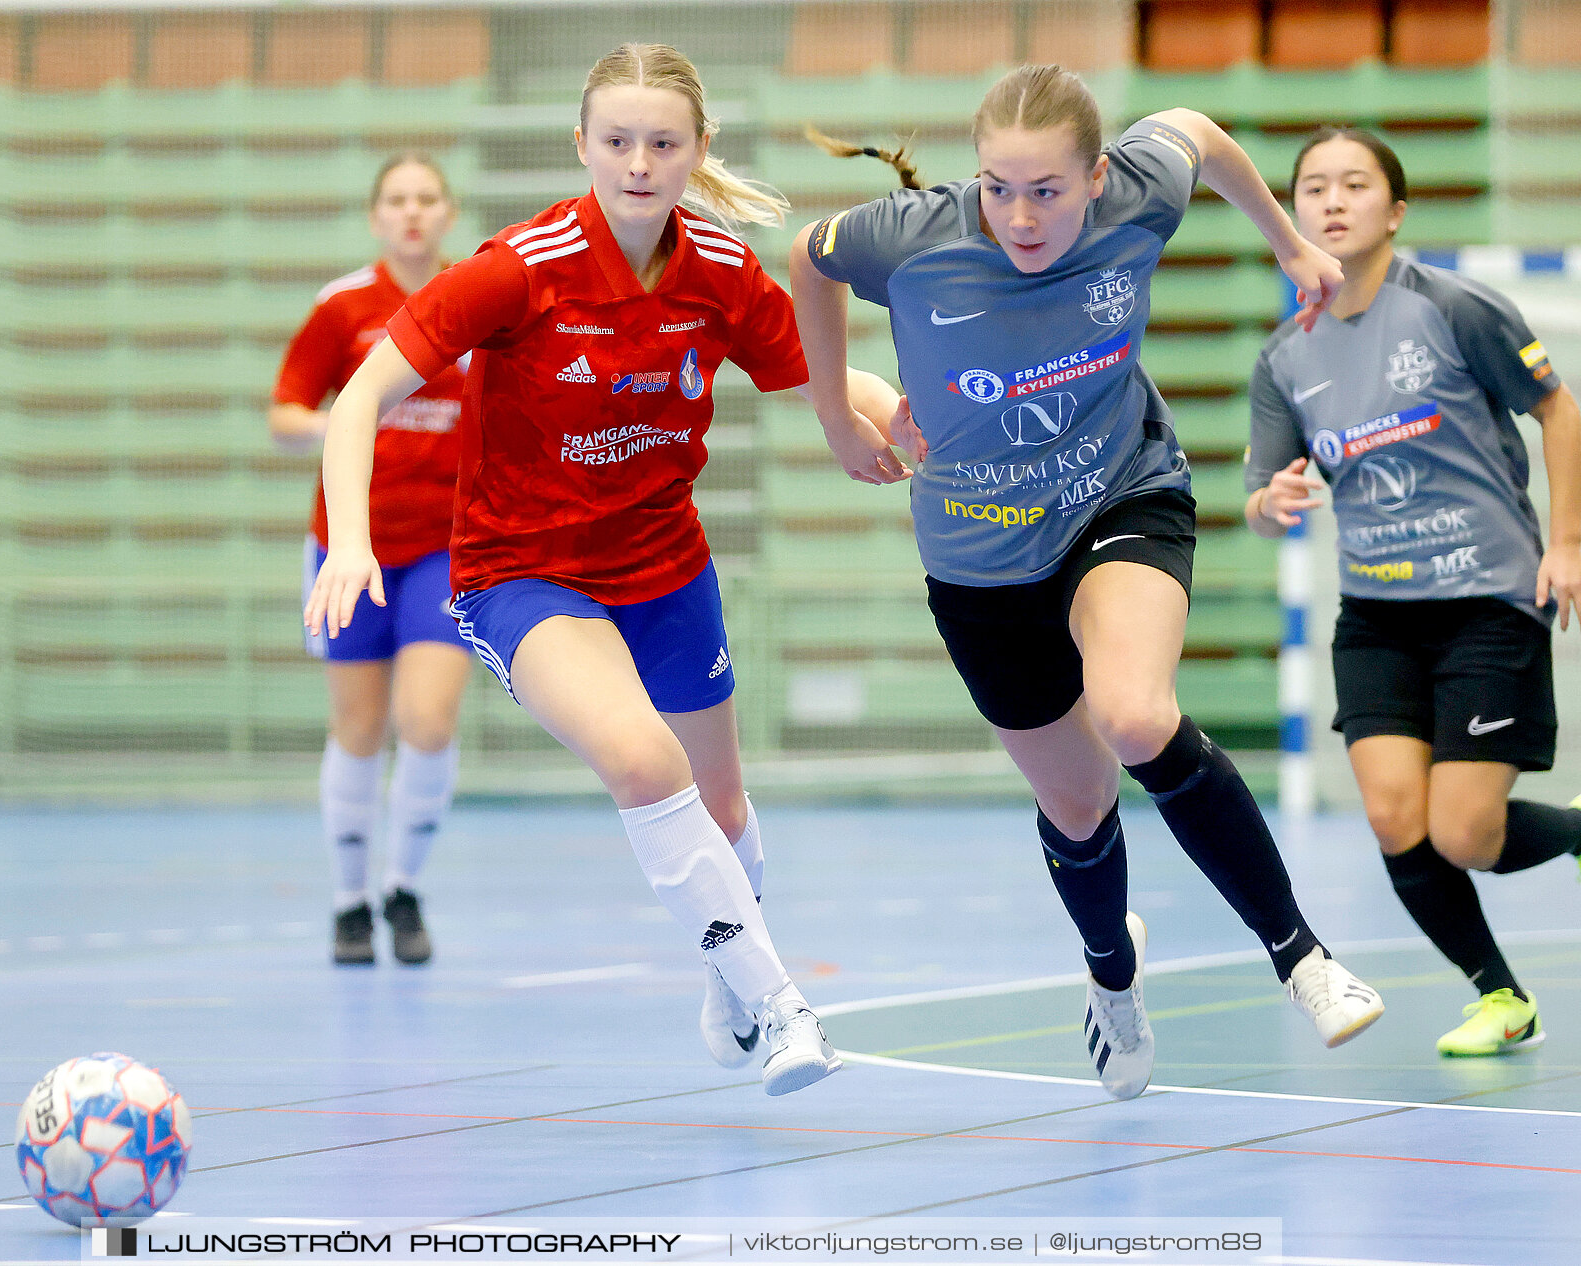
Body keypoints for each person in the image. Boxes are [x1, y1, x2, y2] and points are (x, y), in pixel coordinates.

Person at [305, 43, 902, 1096]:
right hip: (522, 573)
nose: (639, 161)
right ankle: (782, 1004)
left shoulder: (718, 270)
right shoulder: (516, 269)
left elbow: (814, 373)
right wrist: (350, 542)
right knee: (641, 761)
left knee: (720, 808)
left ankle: (728, 982)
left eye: (663, 142)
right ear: (582, 144)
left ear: (698, 150)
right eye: (617, 141)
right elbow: (358, 399)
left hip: (664, 562)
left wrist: (901, 411)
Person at [789, 64, 1386, 1102]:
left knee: (1135, 714)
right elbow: (806, 260)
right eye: (997, 187)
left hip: (1119, 492)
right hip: (979, 556)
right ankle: (1112, 973)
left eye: (1048, 190)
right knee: (1077, 803)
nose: (1020, 215)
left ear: (1097, 175)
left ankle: (1303, 957)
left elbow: (1196, 121)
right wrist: (840, 416)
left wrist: (1290, 239)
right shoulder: (912, 238)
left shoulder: (1141, 194)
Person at [1244, 126, 1581, 1057]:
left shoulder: (1456, 308)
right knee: (1398, 818)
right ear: (1292, 213)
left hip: (1487, 600)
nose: (1333, 201)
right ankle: (1501, 996)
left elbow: (1558, 408)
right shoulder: (1284, 357)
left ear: (1394, 212)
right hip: (1376, 619)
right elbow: (1261, 496)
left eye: (1355, 185)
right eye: (1313, 187)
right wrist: (1270, 503)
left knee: (1465, 833)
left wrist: (1568, 542)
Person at [271, 154, 474, 967]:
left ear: (448, 212)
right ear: (375, 215)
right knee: (357, 728)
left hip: (446, 549)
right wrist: (349, 426)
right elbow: (286, 411)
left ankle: (404, 888)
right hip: (350, 546)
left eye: (427, 198)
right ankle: (348, 901)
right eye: (397, 200)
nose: (413, 212)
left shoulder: (475, 299)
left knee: (426, 722)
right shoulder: (343, 308)